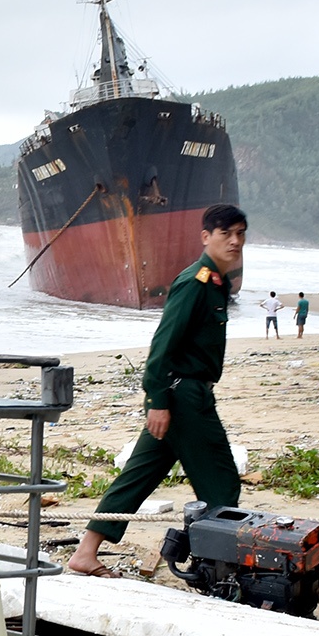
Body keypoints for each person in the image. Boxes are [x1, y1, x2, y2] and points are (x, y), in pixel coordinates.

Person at [65, 205, 248, 577]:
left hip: (184, 396)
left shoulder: (217, 283)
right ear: (205, 237)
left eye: (240, 233)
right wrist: (158, 401)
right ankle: (215, 567)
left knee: (138, 475)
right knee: (222, 485)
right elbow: (162, 347)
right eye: (226, 233)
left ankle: (85, 553)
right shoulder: (194, 283)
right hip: (184, 399)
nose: (234, 241)